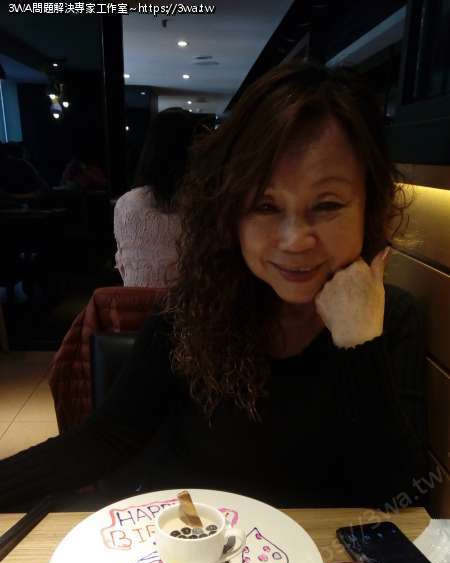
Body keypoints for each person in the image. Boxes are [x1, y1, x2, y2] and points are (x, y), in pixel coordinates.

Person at [0, 61, 427, 512]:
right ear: (231, 215)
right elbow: (107, 437)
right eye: (265, 205)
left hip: (318, 555)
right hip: (189, 546)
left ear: (369, 206)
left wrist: (359, 344)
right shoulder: (192, 311)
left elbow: (399, 500)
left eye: (327, 204)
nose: (295, 240)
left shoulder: (391, 320)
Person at [113, 108, 199, 288]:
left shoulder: (125, 203)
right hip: (188, 304)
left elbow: (123, 266)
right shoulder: (202, 202)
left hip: (133, 303)